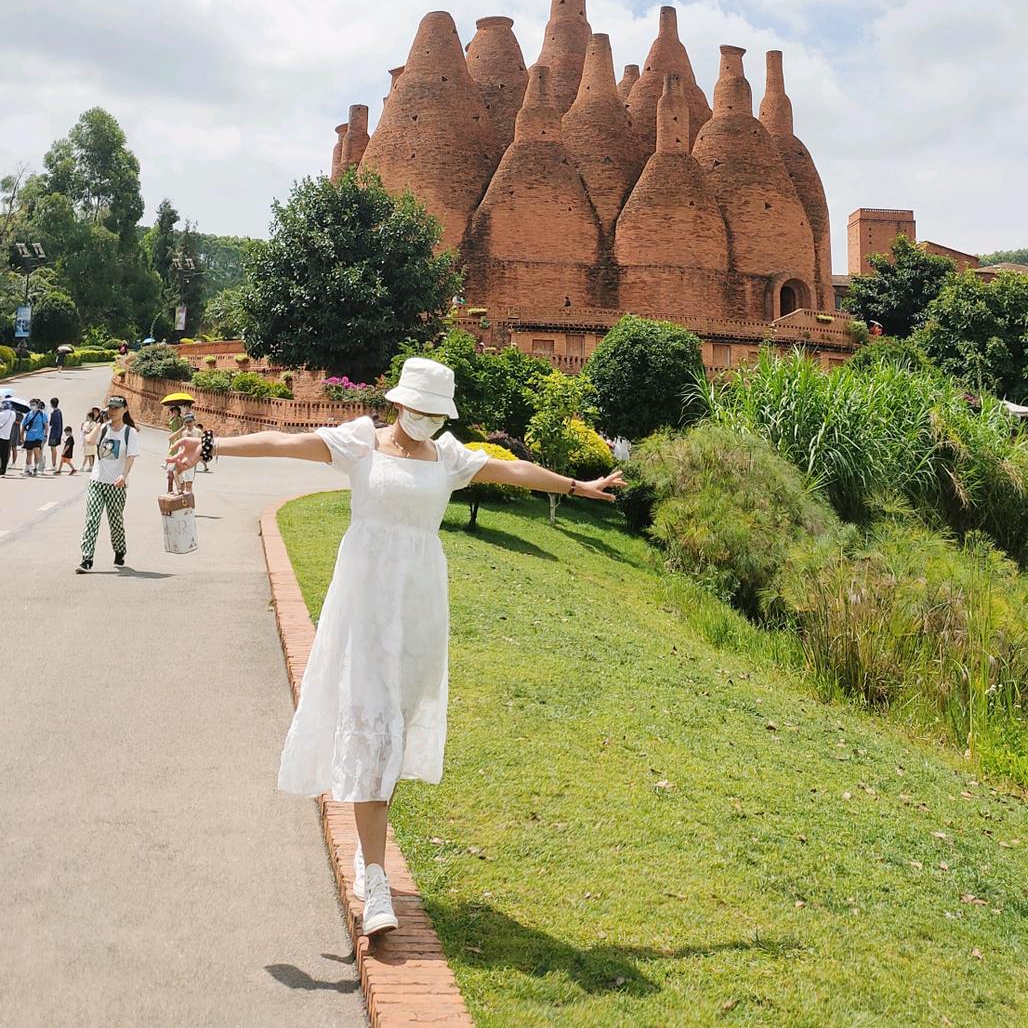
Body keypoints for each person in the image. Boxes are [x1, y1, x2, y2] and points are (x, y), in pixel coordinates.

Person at [169, 357, 626, 937]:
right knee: (373, 730)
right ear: (399, 403)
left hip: (418, 608)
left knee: (393, 735)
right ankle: (377, 884)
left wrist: (578, 486)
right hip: (365, 605)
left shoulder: (448, 457)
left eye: (437, 413)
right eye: (420, 409)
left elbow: (514, 471)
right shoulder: (361, 442)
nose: (427, 420)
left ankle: (370, 859)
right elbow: (285, 442)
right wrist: (213, 446)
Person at [75, 396, 140, 573]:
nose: (113, 411)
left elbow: (131, 456)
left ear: (125, 409)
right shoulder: (103, 428)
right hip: (97, 481)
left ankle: (119, 550)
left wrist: (124, 475)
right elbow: (89, 440)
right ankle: (86, 558)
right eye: (110, 408)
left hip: (116, 484)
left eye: (116, 408)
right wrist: (99, 422)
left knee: (115, 520)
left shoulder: (129, 432)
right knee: (92, 519)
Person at [20, 399, 47, 477]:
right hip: (29, 437)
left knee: (36, 452)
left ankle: (35, 468)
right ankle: (28, 469)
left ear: (37, 404)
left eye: (34, 404)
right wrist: (21, 437)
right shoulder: (28, 415)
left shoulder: (42, 414)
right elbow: (23, 426)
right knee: (29, 454)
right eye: (31, 404)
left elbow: (46, 425)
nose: (32, 406)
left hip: (38, 437)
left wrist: (45, 435)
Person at [47, 397, 63, 472]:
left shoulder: (54, 413)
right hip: (57, 433)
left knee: (53, 448)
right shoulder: (59, 412)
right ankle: (54, 464)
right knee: (53, 448)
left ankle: (54, 465)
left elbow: (51, 423)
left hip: (54, 433)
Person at [0, 400, 14, 476]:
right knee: (5, 455)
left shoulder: (1, 414)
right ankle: (3, 470)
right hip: (7, 437)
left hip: (0, 436)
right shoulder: (13, 414)